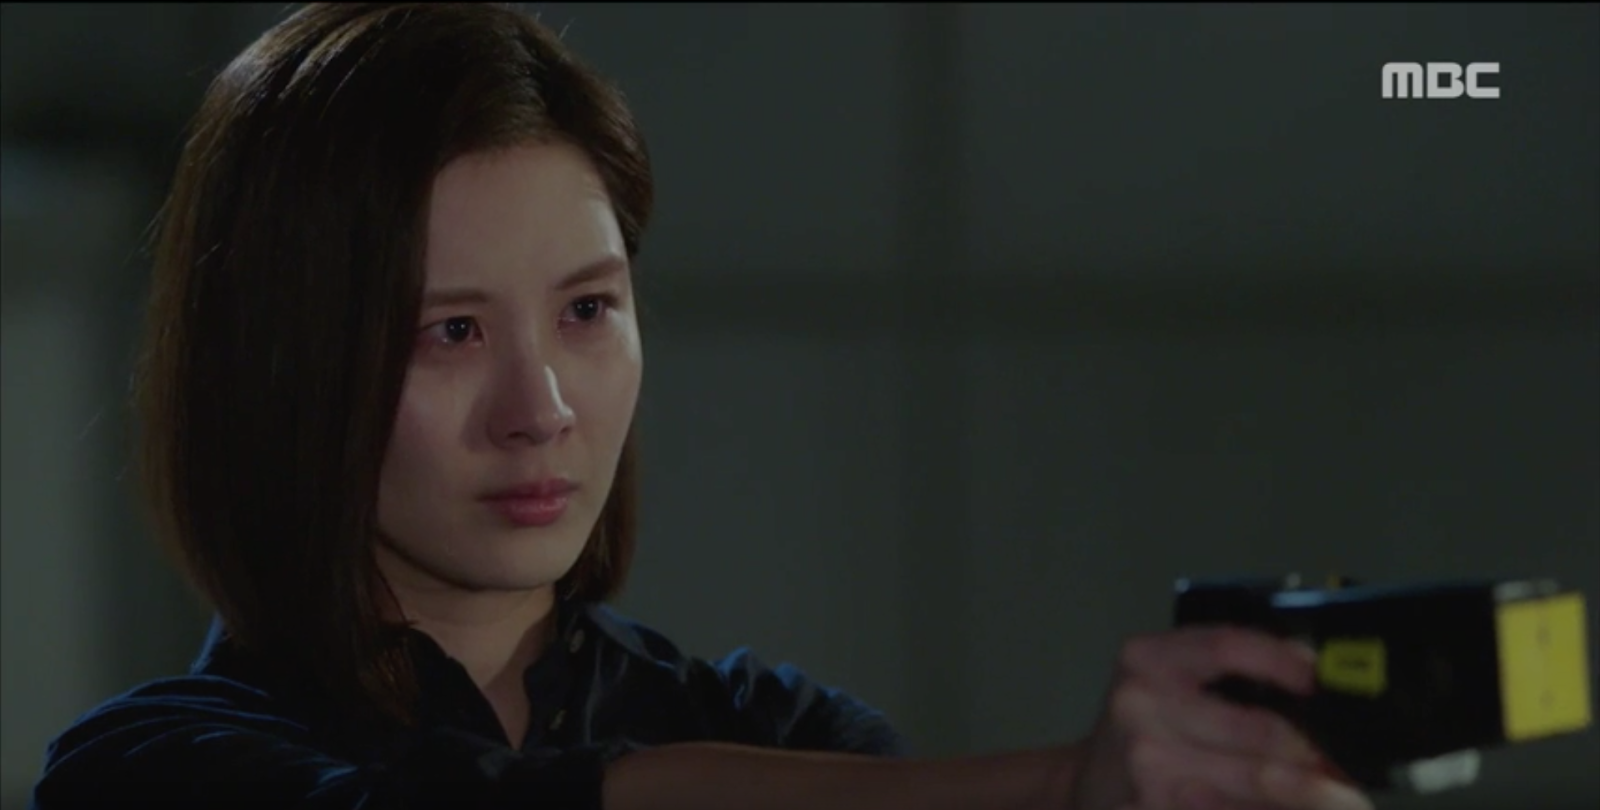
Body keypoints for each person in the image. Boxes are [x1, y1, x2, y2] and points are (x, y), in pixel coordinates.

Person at [29, 4, 1373, 809]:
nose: (540, 408)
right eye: (451, 331)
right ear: (285, 363)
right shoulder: (151, 768)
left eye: (587, 310)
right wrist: (1056, 783)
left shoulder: (787, 740)